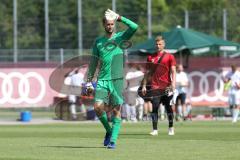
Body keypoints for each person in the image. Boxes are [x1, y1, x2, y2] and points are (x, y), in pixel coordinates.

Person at [87, 9, 138, 149]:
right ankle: (109, 131)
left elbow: (135, 27)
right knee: (97, 107)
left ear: (114, 24)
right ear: (104, 25)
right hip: (102, 80)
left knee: (116, 111)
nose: (110, 26)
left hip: (116, 80)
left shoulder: (121, 37)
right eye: (108, 24)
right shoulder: (98, 42)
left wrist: (120, 17)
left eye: (112, 24)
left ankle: (113, 141)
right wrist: (89, 80)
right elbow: (93, 62)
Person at [141, 36, 176, 136]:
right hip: (155, 87)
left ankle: (171, 127)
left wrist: (173, 83)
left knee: (168, 108)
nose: (158, 46)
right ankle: (155, 130)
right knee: (155, 107)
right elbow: (147, 73)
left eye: (160, 44)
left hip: (167, 87)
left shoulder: (170, 56)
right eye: (156, 44)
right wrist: (144, 85)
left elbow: (173, 71)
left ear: (164, 45)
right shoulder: (150, 57)